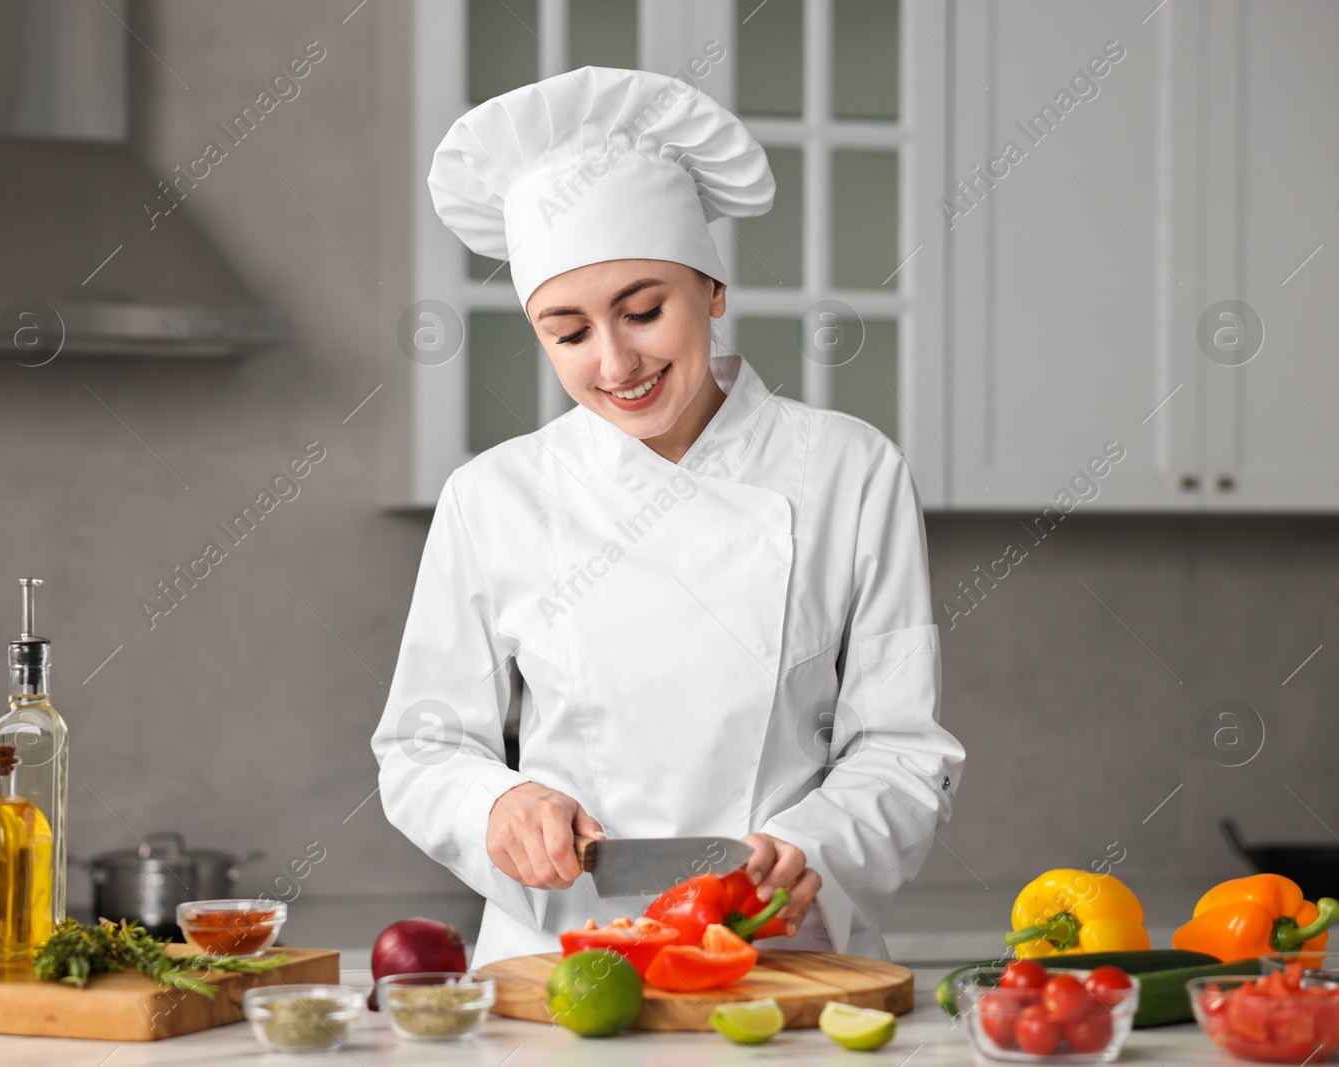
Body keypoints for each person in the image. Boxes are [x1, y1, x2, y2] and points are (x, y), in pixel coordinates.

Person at [371, 66, 964, 968]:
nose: (615, 362)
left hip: (780, 957)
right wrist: (497, 806)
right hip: (563, 963)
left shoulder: (850, 471)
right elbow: (423, 745)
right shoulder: (493, 496)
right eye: (568, 333)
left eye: (643, 310)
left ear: (714, 290)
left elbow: (899, 745)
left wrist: (815, 845)